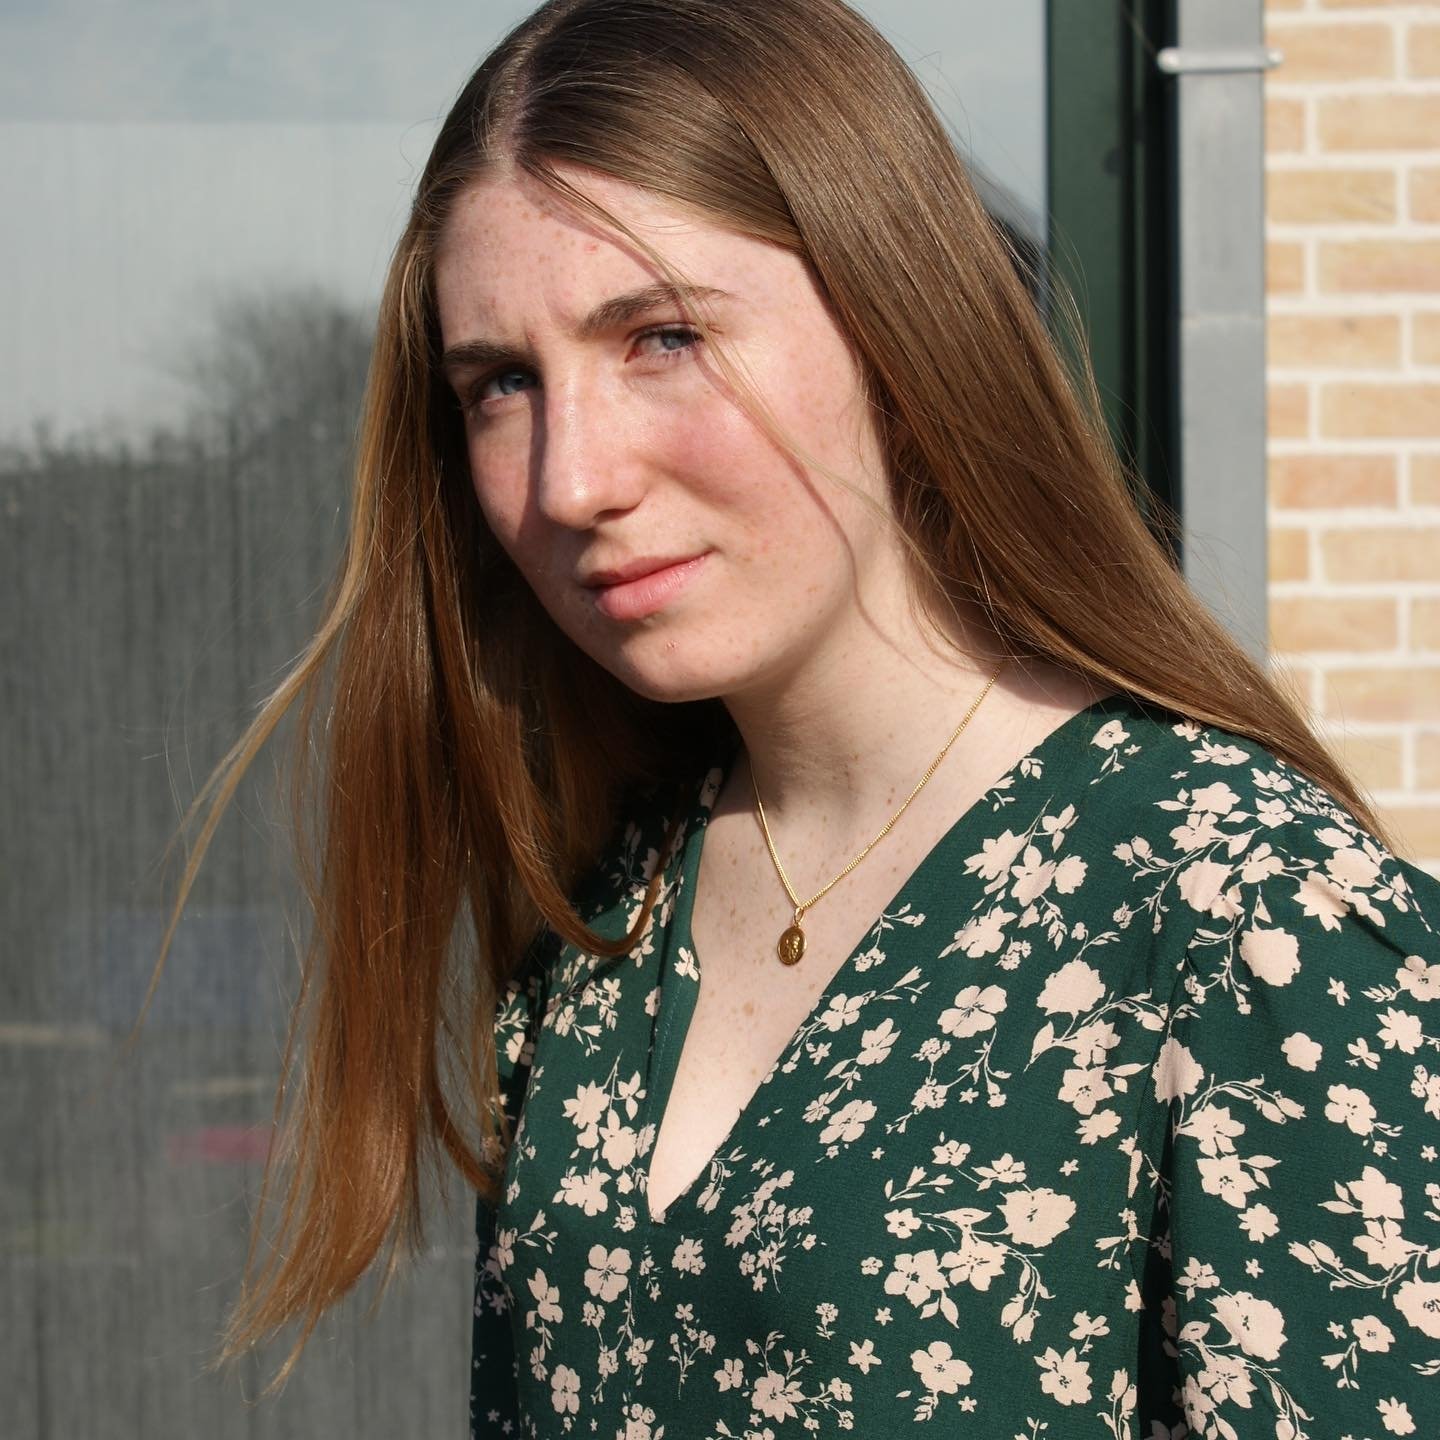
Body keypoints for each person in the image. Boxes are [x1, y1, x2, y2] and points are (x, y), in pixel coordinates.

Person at [161, 0, 1440, 1434]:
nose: (571, 480)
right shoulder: (613, 899)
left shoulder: (1243, 908)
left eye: (661, 337)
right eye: (503, 384)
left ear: (901, 325)